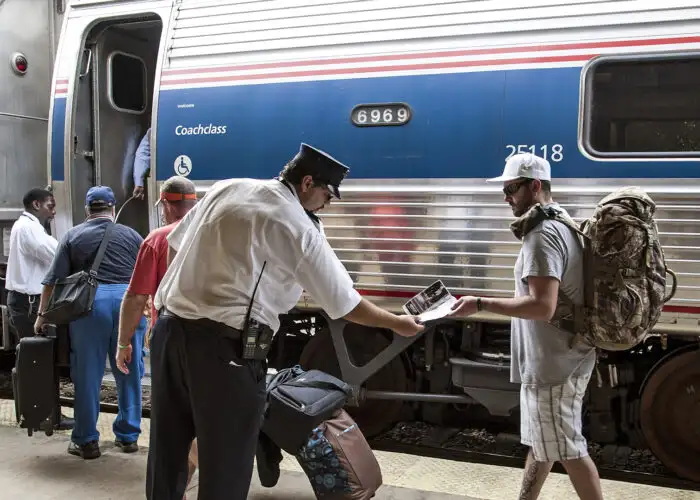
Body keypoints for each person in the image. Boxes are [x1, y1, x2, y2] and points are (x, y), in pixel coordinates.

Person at [146, 143, 424, 499]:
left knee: (167, 448)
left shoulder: (226, 187)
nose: (328, 202)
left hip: (170, 331)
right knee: (226, 461)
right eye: (327, 193)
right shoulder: (294, 222)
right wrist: (399, 323)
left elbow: (175, 244)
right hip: (223, 351)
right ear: (307, 182)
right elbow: (345, 304)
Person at [449, 153, 603, 500]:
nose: (506, 197)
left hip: (555, 364)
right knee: (545, 442)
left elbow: (541, 306)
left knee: (570, 450)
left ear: (535, 186)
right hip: (559, 357)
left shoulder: (542, 235)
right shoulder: (560, 220)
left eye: (511, 189)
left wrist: (480, 303)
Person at [35, 186, 147, 460]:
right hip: (127, 303)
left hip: (89, 306)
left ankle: (86, 441)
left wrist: (42, 316)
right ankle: (128, 436)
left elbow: (52, 282)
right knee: (129, 370)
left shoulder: (73, 235)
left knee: (87, 374)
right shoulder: (132, 235)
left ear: (87, 210)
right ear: (112, 209)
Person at [116, 176, 199, 496]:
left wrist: (124, 343)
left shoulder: (159, 238)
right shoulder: (212, 232)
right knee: (205, 417)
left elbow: (136, 297)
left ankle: (172, 488)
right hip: (218, 337)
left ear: (166, 204)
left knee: (171, 424)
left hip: (172, 336)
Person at [6, 188, 57, 342]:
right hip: (29, 304)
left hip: (25, 301)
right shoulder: (28, 228)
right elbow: (59, 254)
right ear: (36, 204)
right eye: (50, 206)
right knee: (36, 355)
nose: (54, 212)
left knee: (32, 353)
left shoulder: (26, 225)